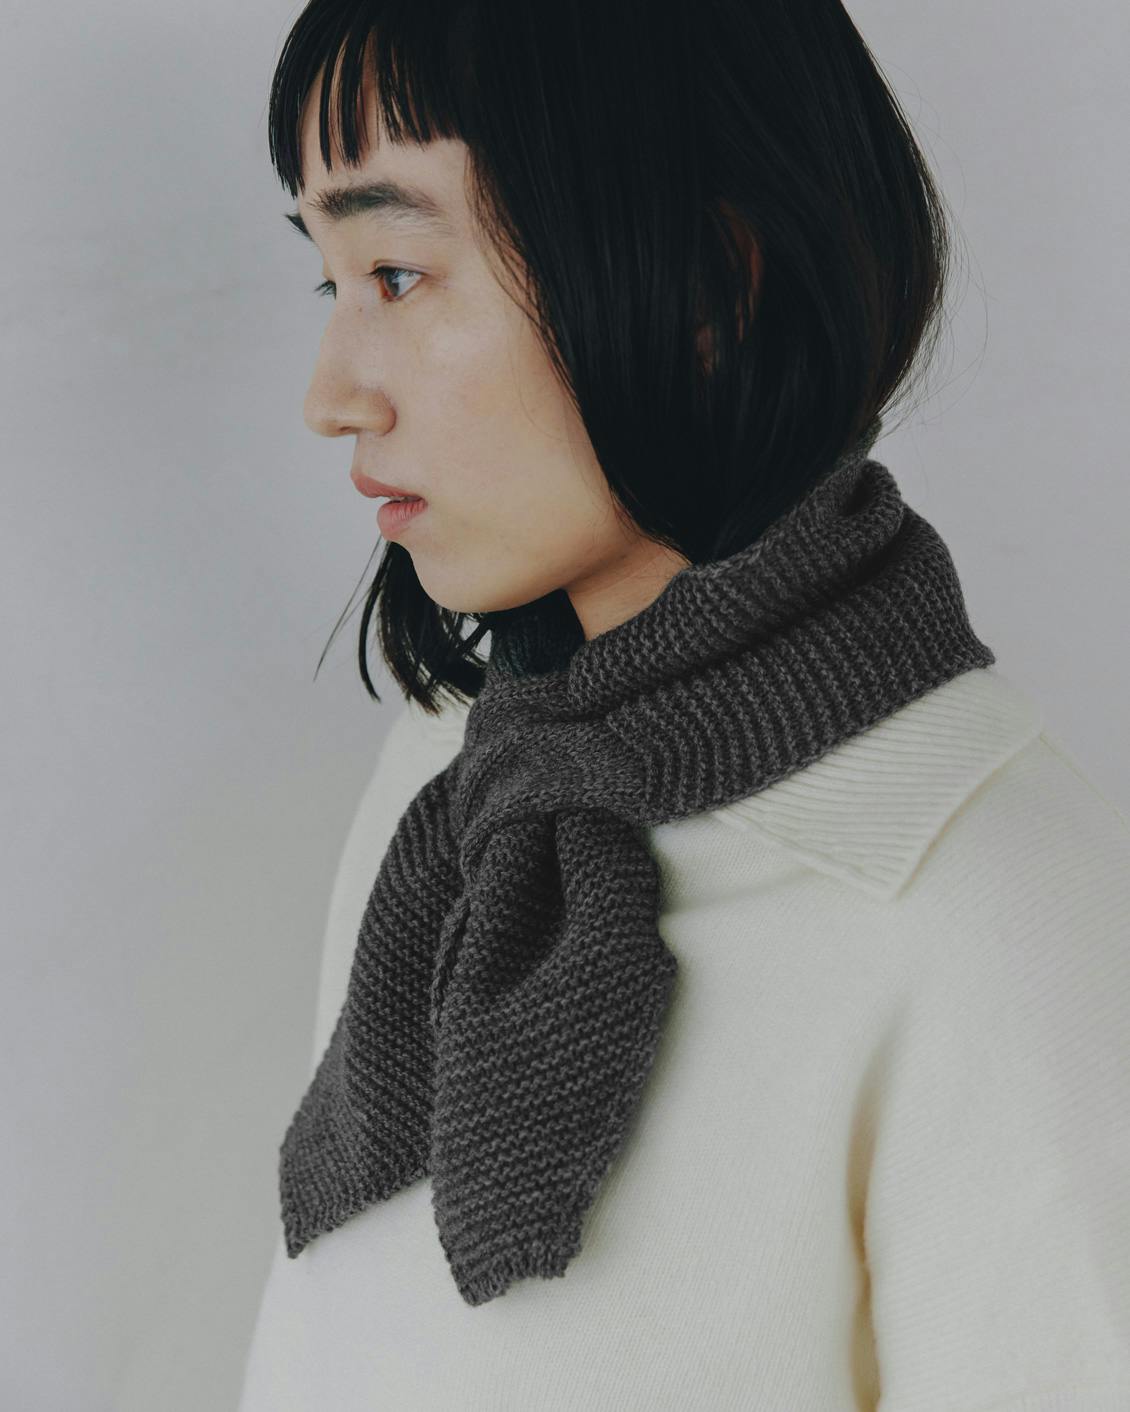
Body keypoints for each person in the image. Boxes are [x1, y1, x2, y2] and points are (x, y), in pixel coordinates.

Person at [238, 2, 1130, 1407]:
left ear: (715, 281)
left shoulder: (1002, 915)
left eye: (397, 275)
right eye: (329, 282)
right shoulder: (447, 781)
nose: (331, 394)